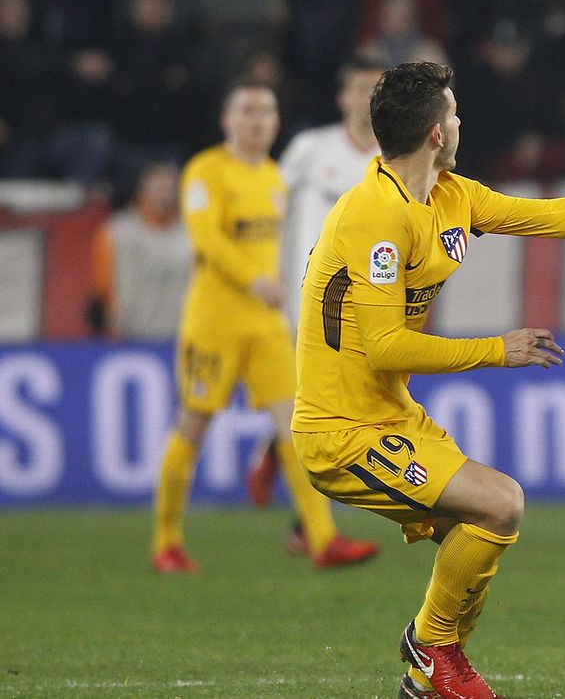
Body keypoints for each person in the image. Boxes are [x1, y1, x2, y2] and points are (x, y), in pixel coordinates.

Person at [290, 61, 565, 699]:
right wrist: (496, 349)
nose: (460, 121)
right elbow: (384, 344)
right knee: (499, 502)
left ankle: (430, 663)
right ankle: (434, 651)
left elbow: (552, 217)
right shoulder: (374, 214)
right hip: (338, 429)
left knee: (481, 525)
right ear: (433, 134)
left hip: (389, 414)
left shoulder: (451, 195)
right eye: (452, 112)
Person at [151, 81, 381, 574]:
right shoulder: (206, 172)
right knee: (193, 425)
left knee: (298, 429)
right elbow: (207, 238)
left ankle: (322, 539)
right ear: (226, 120)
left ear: (276, 123)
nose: (257, 120)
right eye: (247, 111)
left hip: (266, 324)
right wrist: (252, 278)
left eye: (266, 112)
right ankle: (166, 540)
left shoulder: (276, 178)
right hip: (214, 322)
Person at [245, 56, 385, 537]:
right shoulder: (309, 150)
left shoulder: (395, 159)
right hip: (305, 297)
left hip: (369, 304)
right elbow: (268, 208)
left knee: (343, 414)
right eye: (359, 88)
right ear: (342, 97)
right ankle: (307, 528)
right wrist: (264, 272)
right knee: (335, 411)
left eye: (376, 90)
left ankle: (274, 452)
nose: (367, 99)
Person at [89, 161, 190, 340]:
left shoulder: (195, 230)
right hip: (133, 338)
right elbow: (102, 288)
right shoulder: (117, 231)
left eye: (170, 186)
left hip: (185, 336)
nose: (164, 193)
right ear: (142, 188)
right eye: (158, 186)